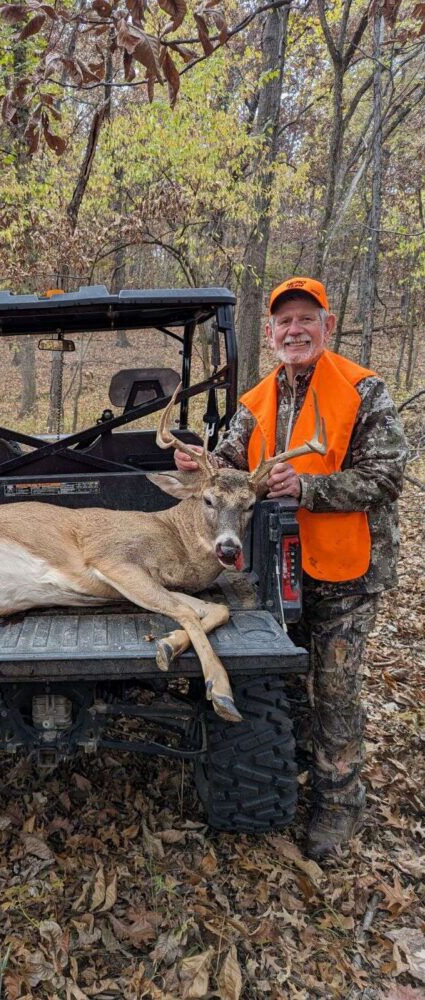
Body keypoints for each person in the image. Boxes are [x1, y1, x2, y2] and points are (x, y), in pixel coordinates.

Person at [174, 277, 408, 859]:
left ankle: (339, 801)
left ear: (327, 326)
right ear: (272, 332)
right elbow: (228, 462)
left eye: (307, 318)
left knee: (334, 689)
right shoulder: (257, 401)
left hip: (347, 571)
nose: (295, 330)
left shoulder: (363, 391)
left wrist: (309, 487)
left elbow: (386, 477)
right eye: (285, 322)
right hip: (278, 569)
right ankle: (302, 766)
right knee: (289, 680)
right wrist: (196, 464)